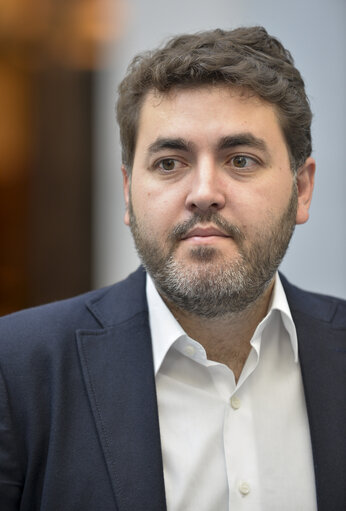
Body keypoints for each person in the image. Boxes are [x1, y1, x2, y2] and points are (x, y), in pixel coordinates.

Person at [0, 26, 345, 511]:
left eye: (241, 159)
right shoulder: (15, 369)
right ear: (127, 191)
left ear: (301, 189)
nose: (203, 191)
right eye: (169, 163)